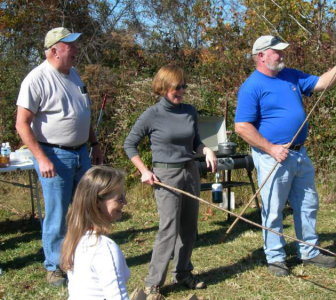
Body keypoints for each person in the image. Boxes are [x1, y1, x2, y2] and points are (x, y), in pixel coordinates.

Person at [234, 35, 336, 277]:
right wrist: (271, 148)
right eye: (276, 51)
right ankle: (275, 257)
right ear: (261, 56)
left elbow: (322, 84)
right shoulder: (252, 86)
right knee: (274, 209)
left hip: (300, 154)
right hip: (273, 157)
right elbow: (242, 126)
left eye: (281, 50)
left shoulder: (291, 75)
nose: (281, 55)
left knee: (307, 204)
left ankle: (308, 252)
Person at [15, 27, 103, 286]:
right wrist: (41, 158)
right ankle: (54, 267)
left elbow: (83, 114)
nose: (76, 50)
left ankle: (83, 258)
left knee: (86, 208)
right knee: (56, 213)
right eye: (70, 46)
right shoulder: (37, 79)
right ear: (54, 50)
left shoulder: (74, 75)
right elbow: (22, 124)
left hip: (81, 154)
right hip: (54, 154)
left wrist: (95, 144)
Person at [124, 64, 217, 298]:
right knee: (169, 229)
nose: (182, 91)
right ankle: (153, 283)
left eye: (184, 86)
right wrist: (144, 171)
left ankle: (183, 272)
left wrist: (206, 151)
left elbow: (196, 141)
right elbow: (129, 144)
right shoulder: (151, 115)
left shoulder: (189, 111)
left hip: (190, 172)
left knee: (189, 228)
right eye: (178, 87)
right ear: (164, 86)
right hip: (166, 176)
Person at [60, 166, 131, 299]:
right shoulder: (103, 247)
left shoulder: (76, 239)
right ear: (97, 202)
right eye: (120, 198)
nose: (125, 202)